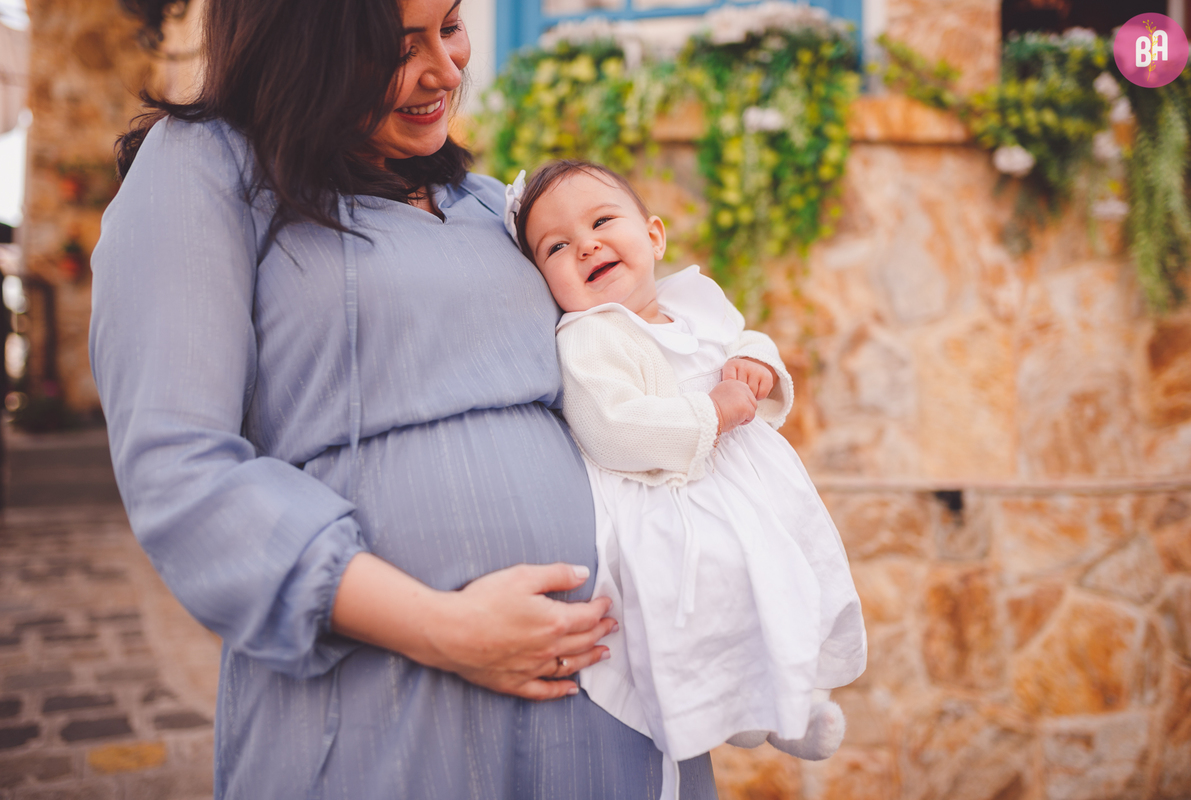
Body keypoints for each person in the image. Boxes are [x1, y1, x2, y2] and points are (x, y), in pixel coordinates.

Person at [87, 1, 718, 797]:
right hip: (391, 691)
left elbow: (624, 354)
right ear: (298, 45)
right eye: (396, 46)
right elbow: (180, 471)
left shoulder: (495, 205)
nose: (446, 70)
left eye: (449, 27)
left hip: (605, 689)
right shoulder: (202, 169)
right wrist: (445, 628)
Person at [508, 160, 868, 799]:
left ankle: (797, 698)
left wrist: (756, 361)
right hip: (669, 497)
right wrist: (715, 410)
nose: (585, 244)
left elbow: (746, 339)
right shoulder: (589, 338)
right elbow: (615, 429)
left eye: (601, 221)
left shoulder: (694, 303)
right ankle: (729, 704)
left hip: (749, 493)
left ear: (654, 237)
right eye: (556, 247)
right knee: (708, 599)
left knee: (787, 573)